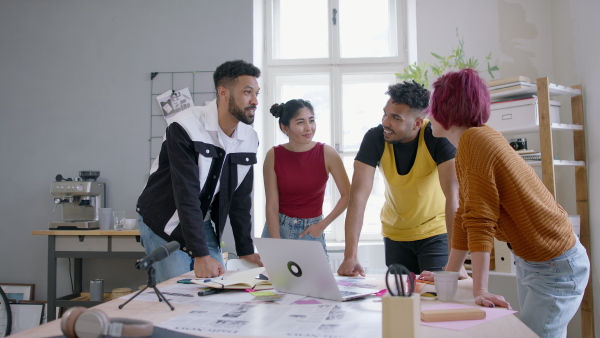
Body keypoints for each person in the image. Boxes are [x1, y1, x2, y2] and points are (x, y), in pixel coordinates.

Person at [421, 68, 589, 337]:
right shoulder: (474, 139)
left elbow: (479, 220)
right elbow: (466, 213)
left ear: (447, 109)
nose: (429, 114)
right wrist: (449, 274)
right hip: (539, 260)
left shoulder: (475, 141)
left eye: (433, 106)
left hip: (554, 264)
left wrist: (480, 290)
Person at [136, 60, 263, 282]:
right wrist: (201, 255)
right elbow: (185, 193)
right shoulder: (185, 126)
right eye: (247, 92)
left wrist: (245, 248)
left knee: (216, 286)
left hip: (199, 222)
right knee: (179, 291)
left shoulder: (249, 138)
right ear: (223, 92)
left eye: (256, 93)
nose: (255, 101)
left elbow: (240, 199)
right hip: (163, 220)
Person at [337, 81, 460, 276]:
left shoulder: (436, 137)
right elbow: (358, 197)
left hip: (435, 234)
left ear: (417, 123)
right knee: (401, 302)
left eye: (395, 118)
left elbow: (453, 198)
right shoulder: (375, 138)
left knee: (436, 299)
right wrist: (350, 255)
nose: (386, 122)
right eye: (385, 113)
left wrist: (456, 261)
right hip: (395, 235)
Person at [261, 99, 350, 254]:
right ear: (284, 127)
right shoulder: (273, 155)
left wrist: (321, 225)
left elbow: (347, 195)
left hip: (310, 231)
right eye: (300, 122)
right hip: (277, 229)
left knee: (317, 279)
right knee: (272, 279)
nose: (308, 128)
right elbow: (271, 205)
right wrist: (276, 243)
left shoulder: (327, 153)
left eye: (312, 120)